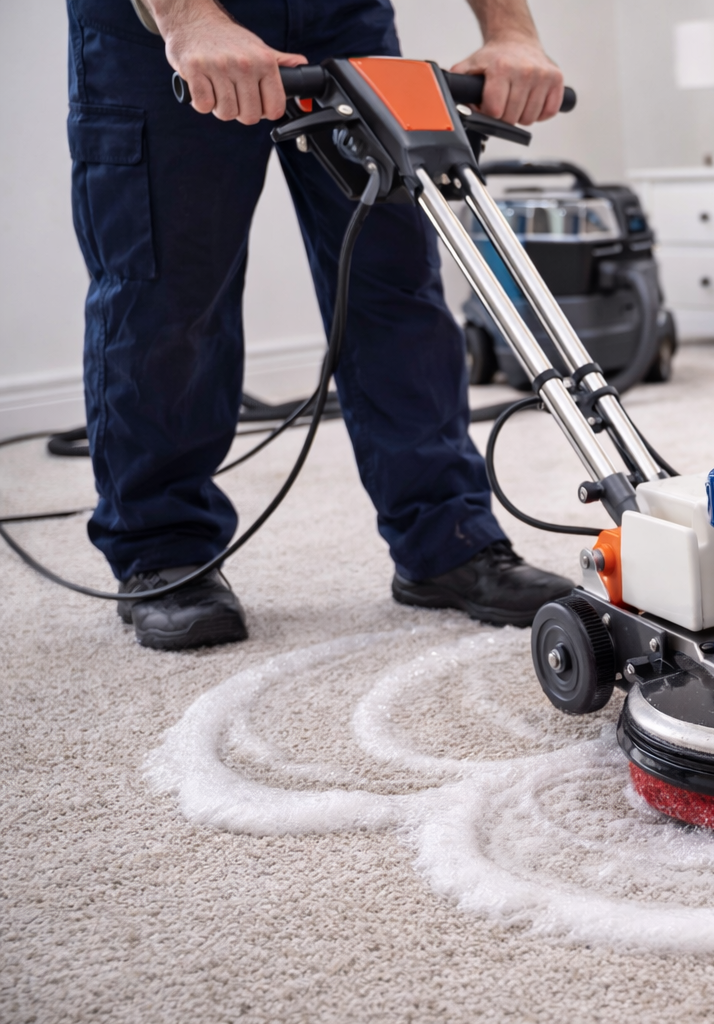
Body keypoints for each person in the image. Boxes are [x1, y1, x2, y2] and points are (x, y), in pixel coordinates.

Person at [68, 0, 576, 650]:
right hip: (152, 29)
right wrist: (191, 19)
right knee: (167, 293)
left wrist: (512, 32)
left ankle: (447, 538)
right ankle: (163, 551)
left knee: (396, 282)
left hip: (345, 16)